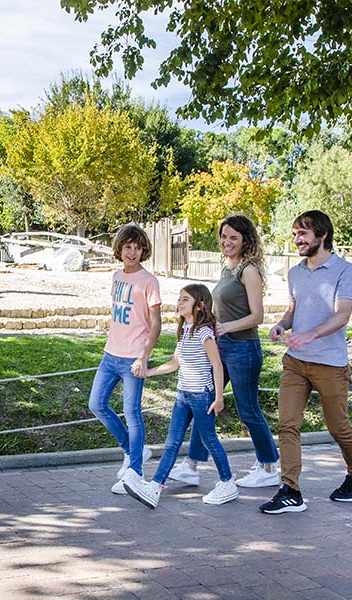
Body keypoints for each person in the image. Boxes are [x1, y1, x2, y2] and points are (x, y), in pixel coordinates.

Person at [260, 210, 352, 514]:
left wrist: (310, 335)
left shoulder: (345, 271)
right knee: (287, 425)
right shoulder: (295, 272)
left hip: (330, 364)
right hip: (295, 361)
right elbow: (294, 310)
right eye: (295, 233)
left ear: (321, 235)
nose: (297, 239)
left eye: (302, 233)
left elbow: (342, 315)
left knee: (338, 427)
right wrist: (282, 324)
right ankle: (290, 490)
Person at [168, 215, 280, 488]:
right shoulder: (228, 267)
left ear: (245, 240)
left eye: (234, 238)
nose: (227, 242)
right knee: (205, 402)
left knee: (248, 409)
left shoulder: (248, 270)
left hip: (244, 349)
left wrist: (226, 327)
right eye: (224, 236)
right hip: (223, 346)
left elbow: (257, 316)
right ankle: (191, 466)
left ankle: (269, 466)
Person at [124, 284, 239, 508]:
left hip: (201, 395)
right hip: (183, 395)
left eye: (185, 299)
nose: (179, 302)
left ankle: (227, 483)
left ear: (200, 305)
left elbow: (216, 365)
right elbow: (175, 363)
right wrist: (149, 372)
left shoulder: (205, 332)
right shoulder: (185, 329)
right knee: (172, 443)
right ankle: (155, 487)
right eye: (179, 298)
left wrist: (218, 397)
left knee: (209, 440)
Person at [88, 223, 161, 494]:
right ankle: (133, 451)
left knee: (132, 413)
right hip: (110, 355)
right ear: (119, 249)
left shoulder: (149, 281)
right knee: (96, 404)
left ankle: (135, 474)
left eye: (137, 247)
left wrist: (144, 356)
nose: (132, 252)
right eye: (127, 247)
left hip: (133, 359)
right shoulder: (117, 277)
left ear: (144, 250)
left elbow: (155, 324)